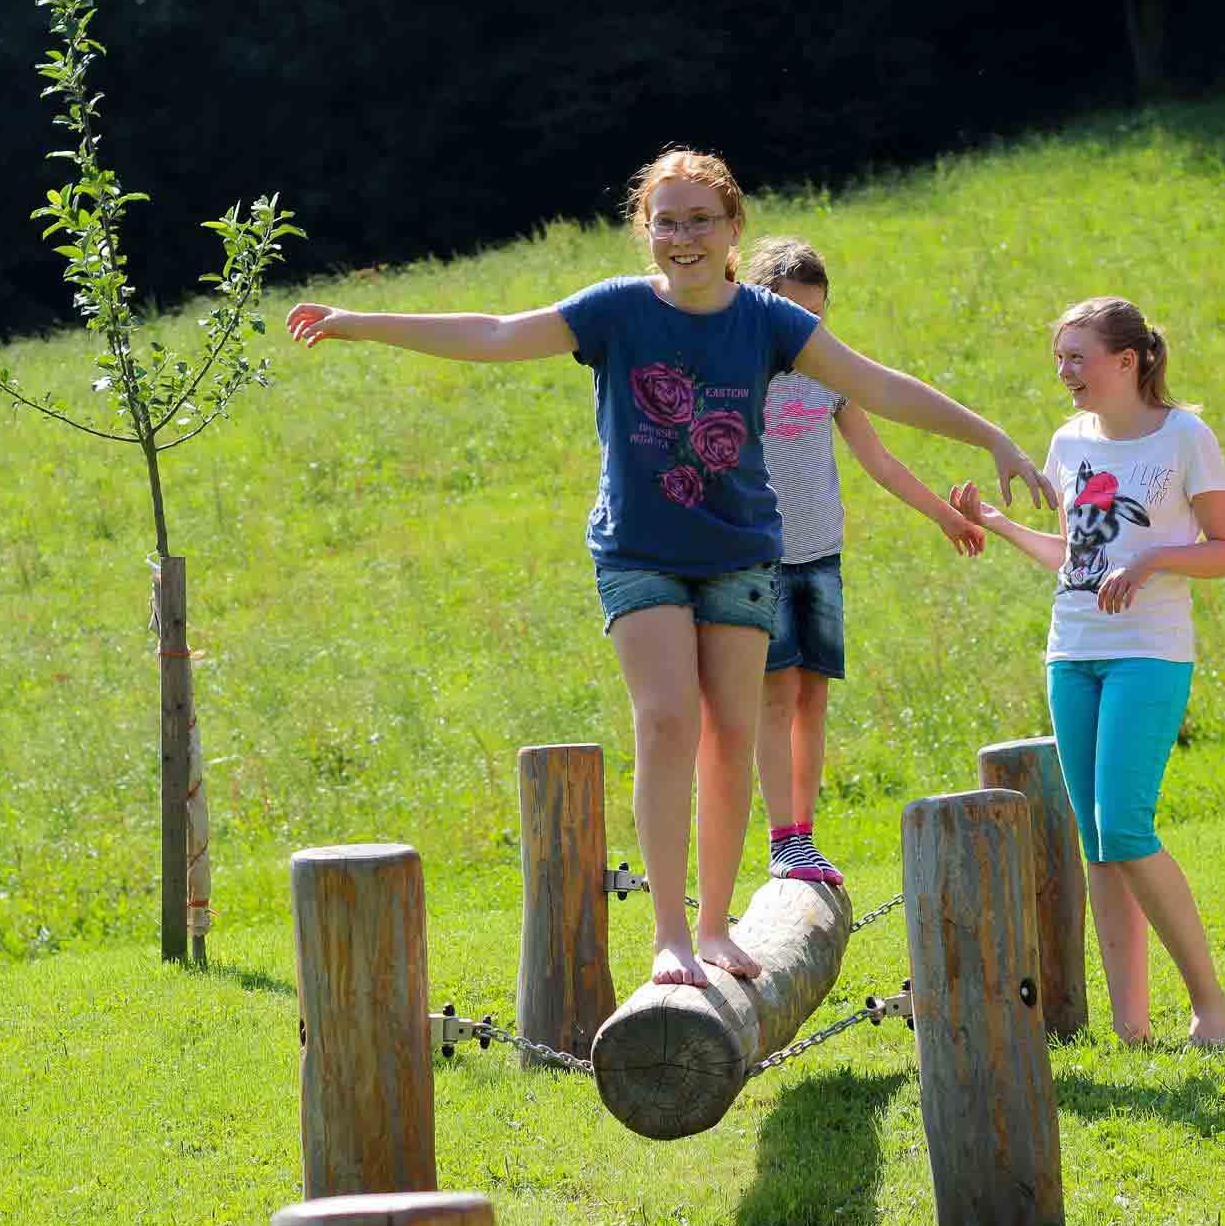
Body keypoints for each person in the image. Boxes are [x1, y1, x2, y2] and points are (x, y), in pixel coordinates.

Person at [285, 149, 1054, 989]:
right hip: (639, 552)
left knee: (729, 733)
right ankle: (670, 938)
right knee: (665, 722)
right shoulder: (615, 310)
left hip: (739, 551)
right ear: (644, 229)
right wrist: (361, 320)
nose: (683, 237)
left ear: (732, 228)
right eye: (667, 222)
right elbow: (498, 333)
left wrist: (991, 436)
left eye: (700, 220)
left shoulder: (769, 320)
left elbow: (879, 385)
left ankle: (716, 927)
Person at [950, 296, 1225, 1047]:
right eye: (1060, 358)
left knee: (1124, 825)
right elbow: (1073, 556)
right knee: (1099, 844)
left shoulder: (1185, 436)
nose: (1065, 372)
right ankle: (1132, 1029)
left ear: (1128, 360)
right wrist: (999, 525)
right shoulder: (1069, 441)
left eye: (1077, 358)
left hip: (1149, 653)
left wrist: (1152, 560)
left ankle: (1212, 1007)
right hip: (1071, 652)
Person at [743, 237, 986, 887]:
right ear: (761, 306)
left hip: (821, 557)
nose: (807, 329)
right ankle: (783, 839)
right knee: (776, 695)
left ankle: (804, 835)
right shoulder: (740, 373)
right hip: (760, 563)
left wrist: (943, 514)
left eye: (817, 315)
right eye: (794, 314)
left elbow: (878, 461)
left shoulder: (832, 375)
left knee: (813, 696)